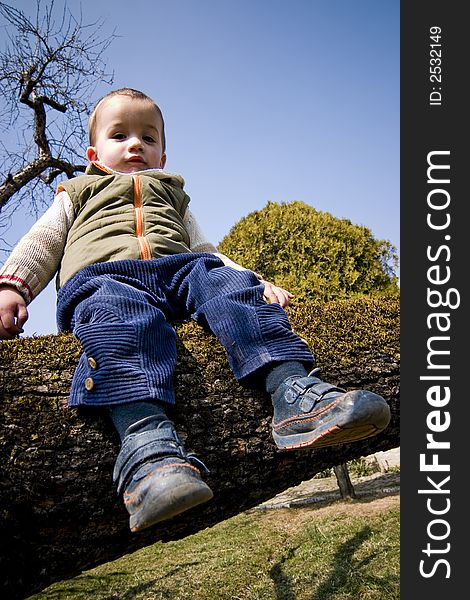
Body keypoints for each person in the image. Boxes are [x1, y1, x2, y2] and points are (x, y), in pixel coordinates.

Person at [0, 88, 391, 532]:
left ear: (163, 155)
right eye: (120, 135)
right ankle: (148, 450)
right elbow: (44, 240)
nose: (135, 145)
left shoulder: (173, 195)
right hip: (105, 277)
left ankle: (293, 392)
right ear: (94, 153)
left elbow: (207, 250)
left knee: (227, 285)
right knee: (123, 325)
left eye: (149, 138)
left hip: (179, 269)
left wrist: (253, 280)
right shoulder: (78, 190)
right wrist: (13, 286)